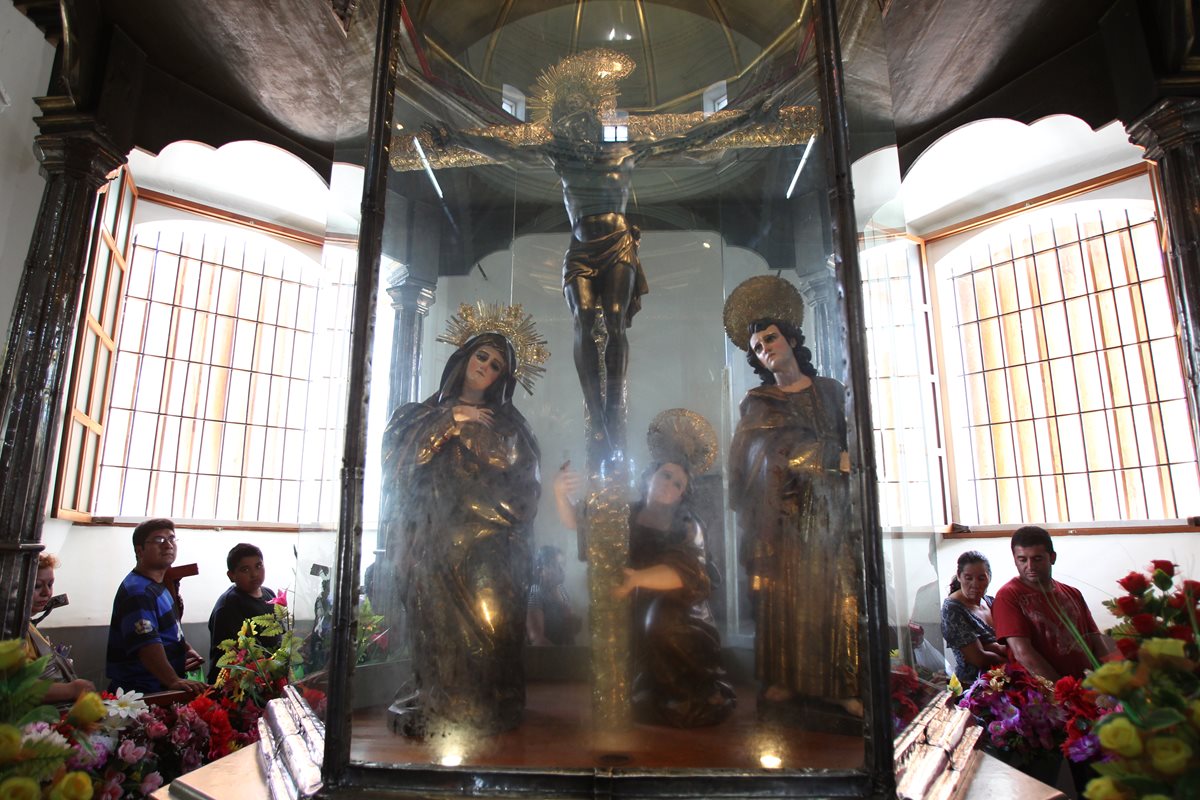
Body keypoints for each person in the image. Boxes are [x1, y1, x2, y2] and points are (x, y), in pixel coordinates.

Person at [426, 50, 774, 471]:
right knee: (583, 320)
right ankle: (597, 413)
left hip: (619, 245)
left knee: (613, 320)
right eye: (570, 119)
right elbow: (505, 148)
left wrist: (744, 120)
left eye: (583, 117)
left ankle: (610, 408)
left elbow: (690, 138)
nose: (577, 126)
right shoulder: (560, 155)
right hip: (581, 251)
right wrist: (456, 139)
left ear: (596, 117)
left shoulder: (626, 151)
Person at [381, 312, 544, 737]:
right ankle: (441, 701)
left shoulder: (510, 424)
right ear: (465, 357)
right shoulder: (417, 414)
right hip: (433, 541)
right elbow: (397, 465)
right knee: (437, 630)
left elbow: (526, 482)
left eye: (496, 366)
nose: (485, 367)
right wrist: (451, 420)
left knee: (492, 627)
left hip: (490, 543)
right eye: (482, 356)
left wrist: (486, 456)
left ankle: (489, 702)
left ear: (502, 378)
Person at [726, 278, 861, 722]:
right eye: (758, 347)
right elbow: (753, 459)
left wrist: (841, 463)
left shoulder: (830, 391)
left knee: (837, 596)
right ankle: (784, 678)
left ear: (791, 339)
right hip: (782, 516)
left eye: (771, 338)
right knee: (785, 598)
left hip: (831, 512)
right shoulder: (758, 402)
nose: (766, 348)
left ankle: (841, 686)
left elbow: (853, 445)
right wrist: (822, 458)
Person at [554, 410, 736, 728]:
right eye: (665, 476)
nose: (669, 485)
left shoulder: (687, 525)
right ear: (649, 477)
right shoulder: (627, 514)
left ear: (683, 494)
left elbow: (686, 574)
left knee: (660, 622)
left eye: (678, 483)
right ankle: (652, 691)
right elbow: (581, 526)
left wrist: (637, 578)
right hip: (638, 601)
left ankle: (687, 695)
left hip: (683, 613)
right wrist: (559, 492)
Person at [992, 526, 1114, 681]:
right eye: (1022, 559)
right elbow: (1023, 654)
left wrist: (1111, 680)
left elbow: (1097, 641)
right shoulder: (1007, 596)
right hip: (1043, 691)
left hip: (1087, 686)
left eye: (1037, 559)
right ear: (1015, 560)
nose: (1030, 566)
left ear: (1052, 557)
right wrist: (1063, 690)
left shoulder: (1073, 593)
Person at [106, 519, 206, 695]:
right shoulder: (138, 592)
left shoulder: (158, 584)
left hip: (160, 685)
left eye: (172, 538)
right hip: (142, 693)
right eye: (159, 540)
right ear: (140, 550)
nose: (168, 545)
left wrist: (185, 649)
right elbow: (146, 646)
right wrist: (173, 680)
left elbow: (166, 632)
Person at [25, 553, 95, 704]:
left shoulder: (27, 624)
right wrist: (72, 689)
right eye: (37, 586)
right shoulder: (11, 631)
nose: (46, 592)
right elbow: (21, 687)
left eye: (50, 584)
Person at [206, 543, 279, 683]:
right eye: (245, 569)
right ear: (231, 575)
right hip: (238, 683)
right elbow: (233, 657)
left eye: (258, 566)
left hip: (270, 677)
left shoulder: (269, 594)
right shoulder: (228, 605)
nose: (254, 574)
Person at [940, 551, 1006, 686]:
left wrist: (991, 647)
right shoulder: (952, 609)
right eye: (968, 578)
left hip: (1003, 679)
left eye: (981, 578)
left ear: (989, 577)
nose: (975, 584)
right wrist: (1011, 660)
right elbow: (978, 658)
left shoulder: (990, 602)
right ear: (959, 576)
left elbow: (1011, 639)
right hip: (974, 685)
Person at [526, 545, 581, 646]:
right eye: (555, 565)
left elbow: (570, 627)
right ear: (541, 569)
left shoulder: (561, 589)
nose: (561, 569)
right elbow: (537, 639)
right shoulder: (536, 592)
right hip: (550, 654)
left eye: (562, 564)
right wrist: (561, 654)